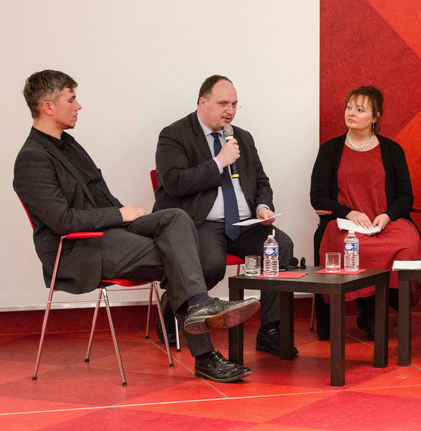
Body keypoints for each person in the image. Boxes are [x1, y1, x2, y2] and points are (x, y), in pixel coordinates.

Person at [13, 70, 258, 383]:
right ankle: (205, 350)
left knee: (175, 217)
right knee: (180, 258)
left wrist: (125, 217)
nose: (78, 106)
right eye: (71, 99)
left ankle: (197, 306)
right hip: (78, 248)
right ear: (49, 107)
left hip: (109, 233)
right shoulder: (32, 159)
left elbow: (100, 197)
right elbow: (62, 220)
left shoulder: (68, 146)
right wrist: (120, 216)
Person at [153, 75, 295, 357]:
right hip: (203, 222)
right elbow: (174, 183)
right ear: (202, 103)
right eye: (223, 103)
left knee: (280, 246)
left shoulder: (242, 136)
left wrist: (262, 208)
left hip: (245, 223)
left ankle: (270, 329)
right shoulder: (174, 135)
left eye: (234, 104)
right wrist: (219, 162)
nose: (229, 110)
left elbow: (261, 181)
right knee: (212, 266)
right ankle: (173, 302)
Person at [310, 85, 421, 340]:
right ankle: (369, 311)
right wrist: (348, 213)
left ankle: (383, 309)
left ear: (375, 117)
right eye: (349, 107)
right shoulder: (330, 149)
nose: (351, 113)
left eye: (359, 109)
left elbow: (406, 196)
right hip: (345, 224)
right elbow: (317, 196)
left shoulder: (392, 150)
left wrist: (387, 216)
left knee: (407, 244)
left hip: (384, 222)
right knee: (354, 246)